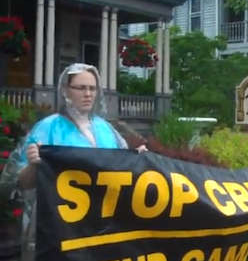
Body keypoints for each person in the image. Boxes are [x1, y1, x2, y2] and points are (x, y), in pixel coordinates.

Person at [0, 63, 146, 261]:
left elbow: (120, 170)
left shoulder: (106, 129)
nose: (88, 94)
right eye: (81, 87)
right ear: (66, 90)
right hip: (59, 229)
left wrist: (136, 158)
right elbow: (20, 183)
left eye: (92, 88)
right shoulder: (47, 128)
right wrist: (34, 165)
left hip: (101, 226)